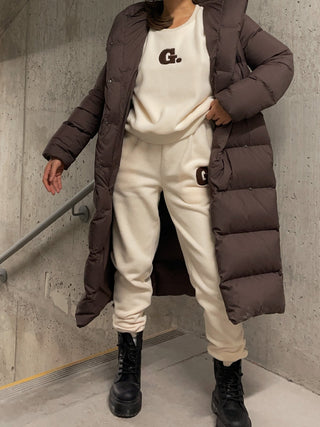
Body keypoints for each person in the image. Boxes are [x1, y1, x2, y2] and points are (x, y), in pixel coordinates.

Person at [42, 1, 293, 425]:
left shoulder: (222, 17)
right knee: (130, 264)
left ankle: (228, 381)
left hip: (193, 157)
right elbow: (104, 93)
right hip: (134, 159)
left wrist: (232, 101)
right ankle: (128, 369)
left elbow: (280, 61)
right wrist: (63, 151)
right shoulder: (130, 23)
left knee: (214, 274)